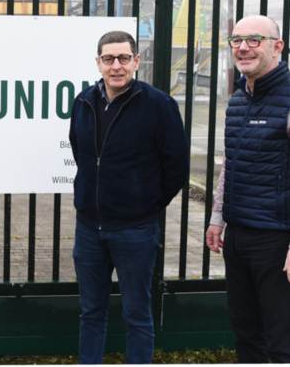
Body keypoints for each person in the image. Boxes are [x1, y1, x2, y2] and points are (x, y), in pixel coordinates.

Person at [205, 15, 290, 366]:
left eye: (254, 39)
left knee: (284, 342)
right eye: (236, 40)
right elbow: (232, 164)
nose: (243, 47)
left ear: (277, 47)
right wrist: (218, 217)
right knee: (246, 334)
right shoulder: (239, 99)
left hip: (278, 243)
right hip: (239, 235)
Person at [69, 31, 189, 366]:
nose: (116, 66)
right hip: (89, 228)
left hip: (135, 230)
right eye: (109, 59)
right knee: (91, 312)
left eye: (124, 58)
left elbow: (176, 166)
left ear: (136, 61)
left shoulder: (158, 105)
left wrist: (144, 203)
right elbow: (82, 154)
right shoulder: (83, 102)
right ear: (99, 63)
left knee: (137, 314)